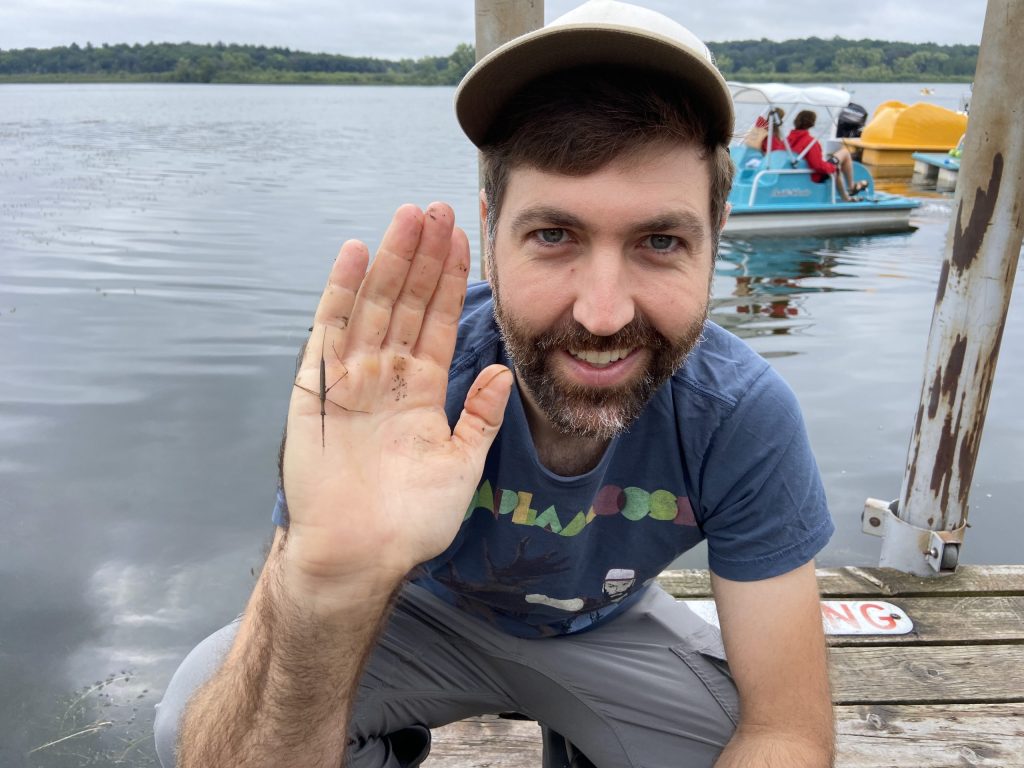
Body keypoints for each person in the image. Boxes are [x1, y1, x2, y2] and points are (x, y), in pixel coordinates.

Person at [154, 2, 836, 766]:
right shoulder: (386, 382)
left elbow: (787, 731)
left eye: (661, 241)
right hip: (414, 611)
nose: (603, 314)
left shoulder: (740, 416)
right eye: (553, 235)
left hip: (602, 623)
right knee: (202, 721)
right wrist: (325, 585)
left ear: (716, 242)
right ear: (490, 239)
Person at [787, 109, 868, 201]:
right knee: (836, 167)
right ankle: (847, 195)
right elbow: (817, 166)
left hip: (800, 170)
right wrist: (832, 167)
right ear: (812, 123)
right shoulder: (809, 142)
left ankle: (852, 187)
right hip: (813, 175)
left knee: (843, 154)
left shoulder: (789, 139)